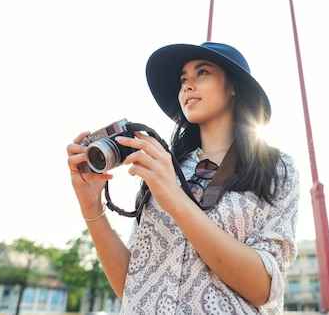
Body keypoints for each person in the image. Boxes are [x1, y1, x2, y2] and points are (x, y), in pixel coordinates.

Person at [66, 41, 300, 314]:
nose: (187, 86)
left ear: (233, 86)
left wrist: (175, 199)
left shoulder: (276, 168)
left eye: (202, 73)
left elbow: (263, 289)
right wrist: (91, 205)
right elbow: (133, 288)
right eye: (183, 80)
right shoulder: (163, 166)